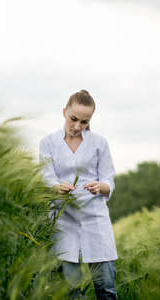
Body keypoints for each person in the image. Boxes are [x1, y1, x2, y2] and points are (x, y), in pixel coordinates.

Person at [39, 90, 118, 300]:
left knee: (107, 290)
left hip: (95, 219)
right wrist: (56, 187)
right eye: (73, 119)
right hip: (63, 221)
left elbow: (109, 179)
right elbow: (45, 178)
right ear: (64, 112)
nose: (77, 126)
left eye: (84, 121)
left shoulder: (99, 143)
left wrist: (100, 186)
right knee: (70, 293)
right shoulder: (47, 143)